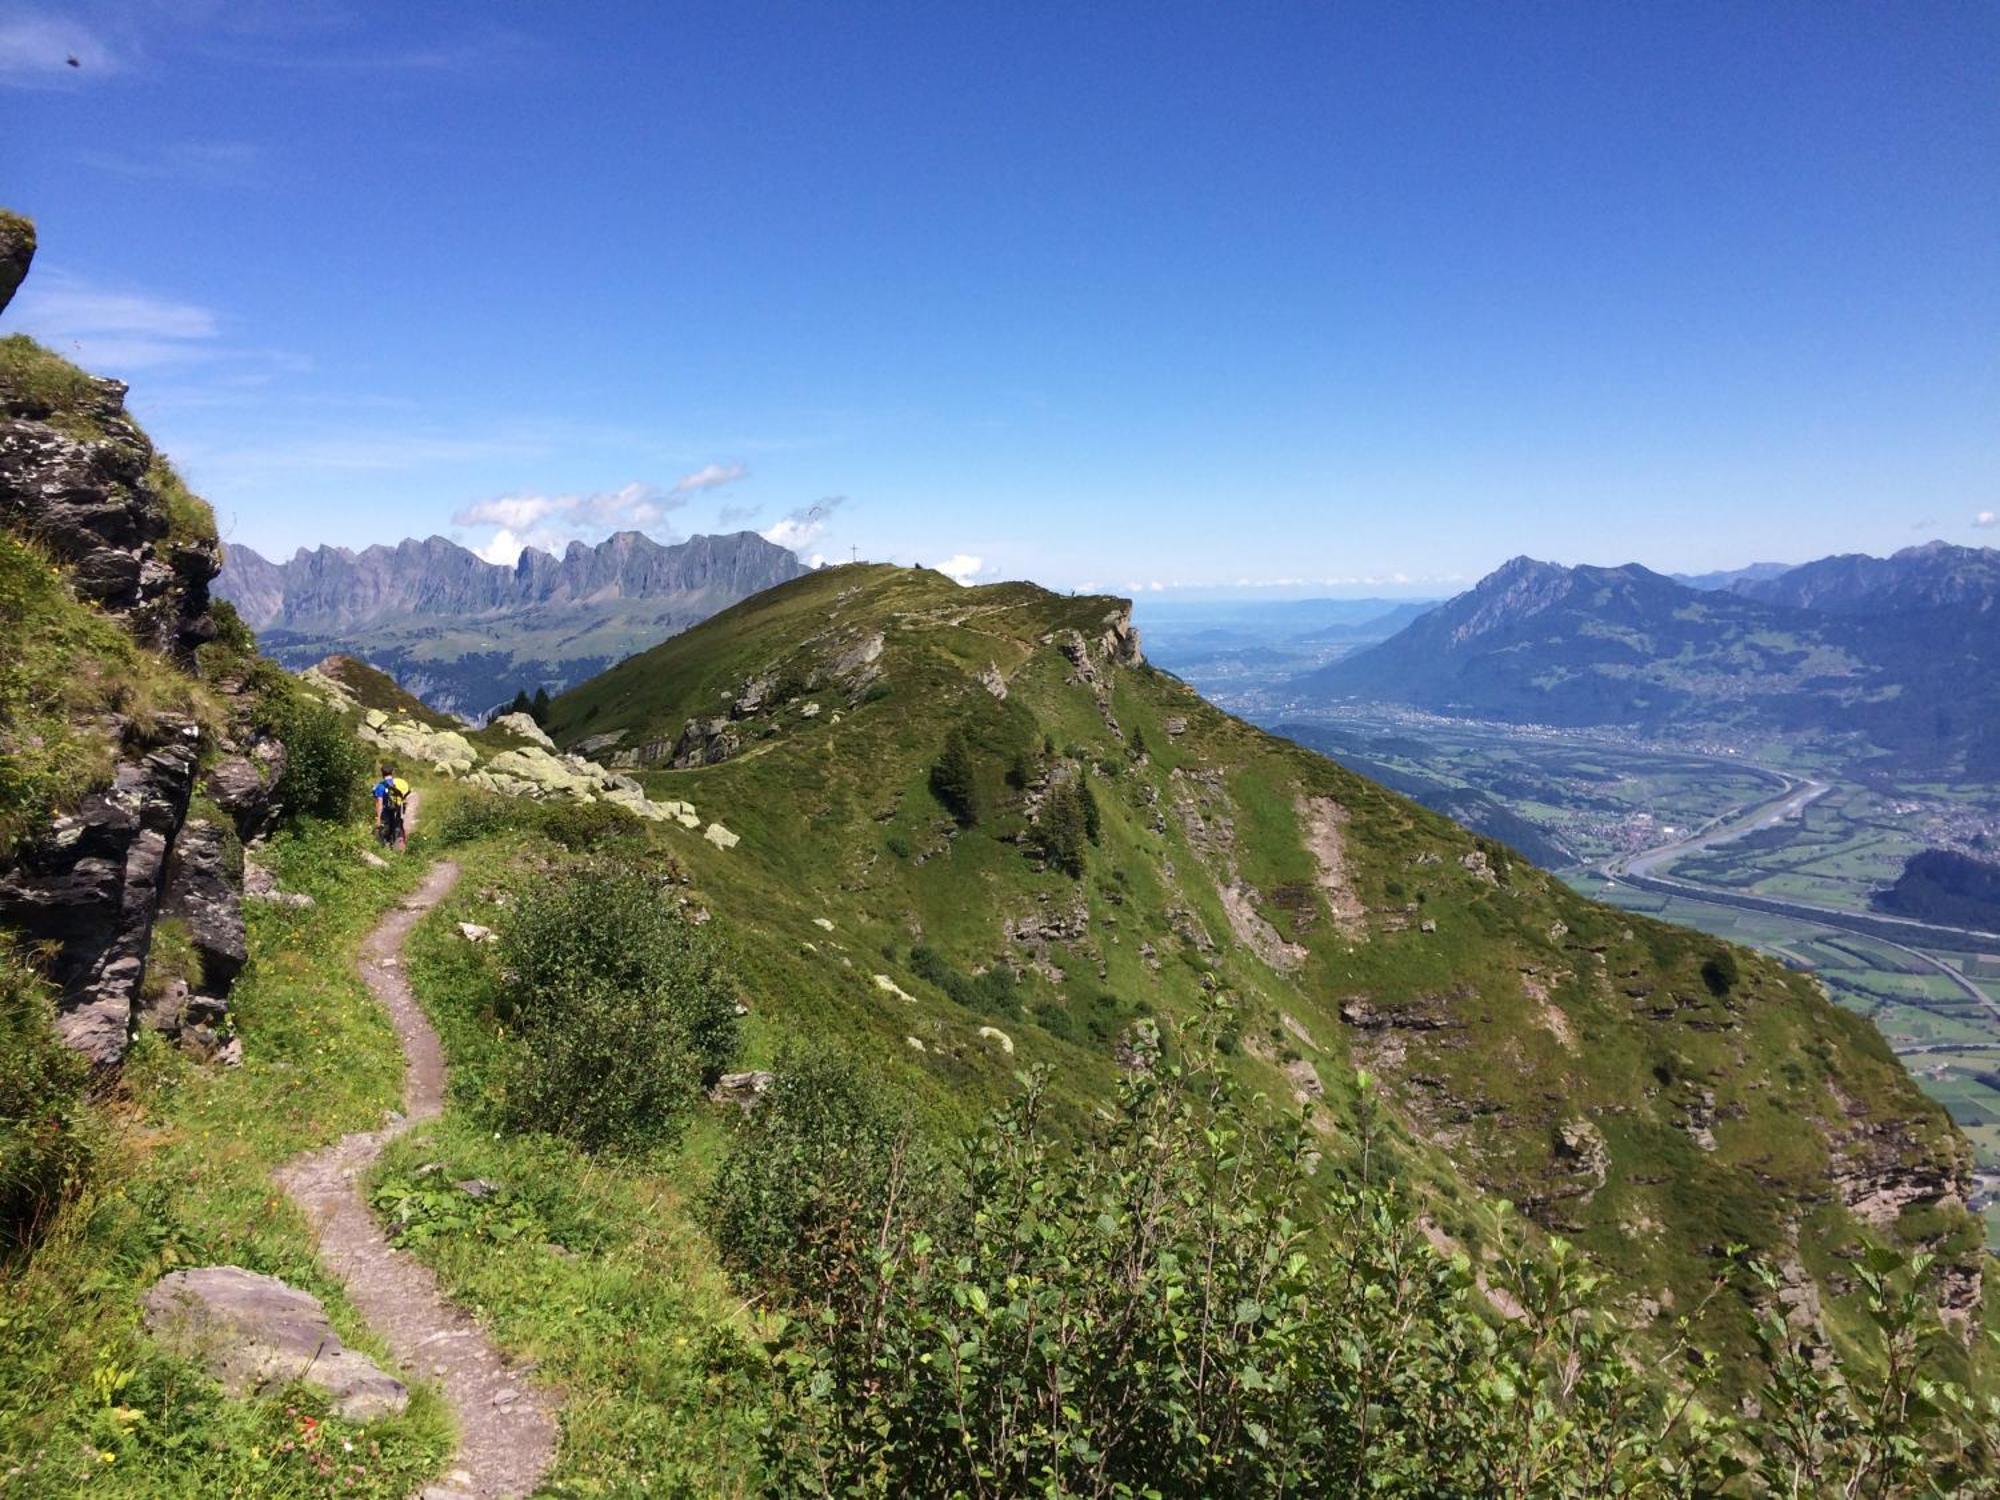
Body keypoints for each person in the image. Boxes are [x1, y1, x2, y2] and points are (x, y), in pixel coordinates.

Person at [372, 763, 412, 850]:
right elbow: (405, 796)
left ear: (382, 773)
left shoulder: (380, 786)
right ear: (392, 772)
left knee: (384, 831)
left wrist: (378, 818)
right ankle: (399, 848)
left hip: (385, 812)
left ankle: (383, 849)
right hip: (397, 811)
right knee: (397, 828)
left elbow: (379, 803)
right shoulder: (399, 784)